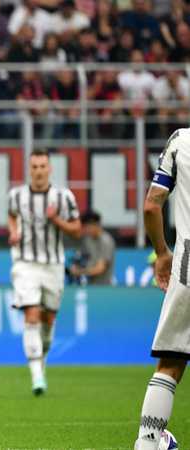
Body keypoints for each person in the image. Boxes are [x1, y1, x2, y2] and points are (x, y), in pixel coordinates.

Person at [7, 149, 81, 396]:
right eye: (34, 167)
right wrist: (14, 231)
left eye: (42, 166)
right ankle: (37, 375)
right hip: (25, 262)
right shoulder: (17, 195)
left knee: (48, 319)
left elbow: (77, 230)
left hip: (53, 265)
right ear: (30, 169)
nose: (38, 171)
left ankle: (41, 363)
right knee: (32, 313)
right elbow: (11, 216)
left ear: (50, 169)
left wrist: (57, 220)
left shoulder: (63, 197)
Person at [134, 128, 190, 449]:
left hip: (187, 266)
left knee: (171, 362)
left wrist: (162, 252)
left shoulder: (180, 141)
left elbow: (152, 205)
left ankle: (147, 442)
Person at [69, 210, 115, 285]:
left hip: (104, 286)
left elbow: (100, 268)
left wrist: (79, 271)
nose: (86, 230)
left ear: (95, 225)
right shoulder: (88, 239)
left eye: (87, 227)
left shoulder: (106, 241)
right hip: (91, 285)